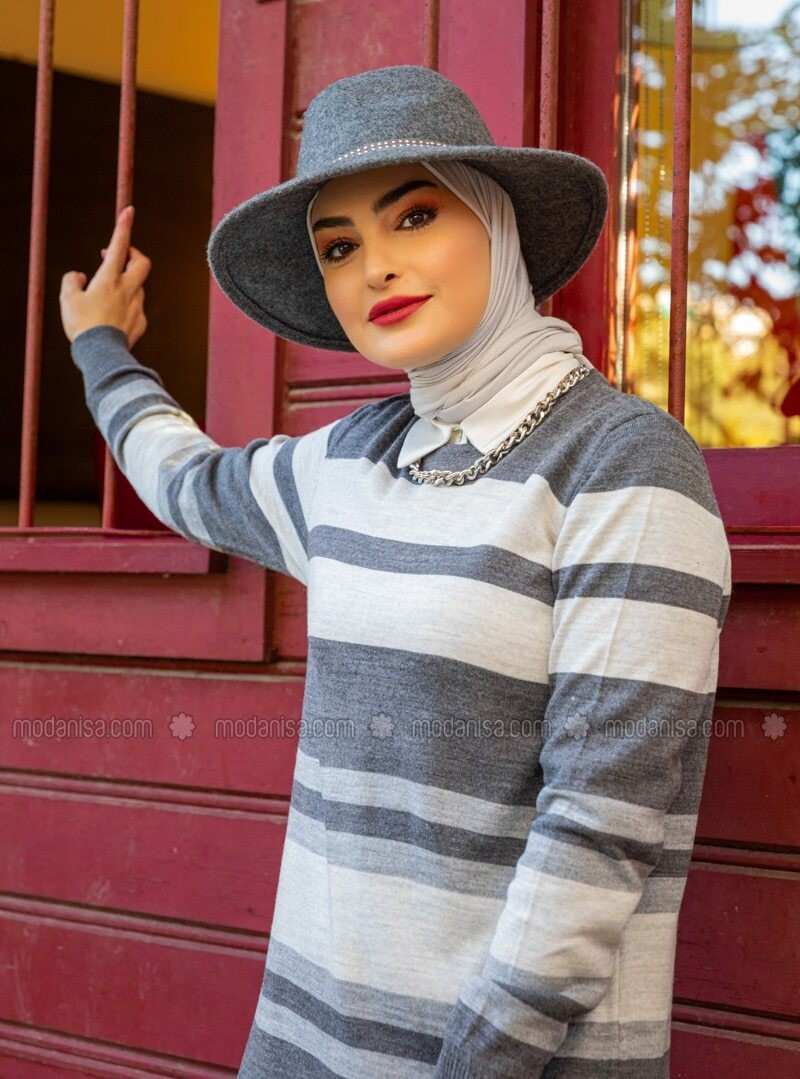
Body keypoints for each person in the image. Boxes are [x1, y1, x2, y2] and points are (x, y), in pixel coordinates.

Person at [60, 65, 731, 1079]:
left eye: (413, 216)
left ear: (497, 221)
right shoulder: (348, 463)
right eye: (339, 246)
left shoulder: (625, 462)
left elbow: (599, 832)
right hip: (305, 1044)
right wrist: (101, 347)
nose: (375, 266)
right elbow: (186, 480)